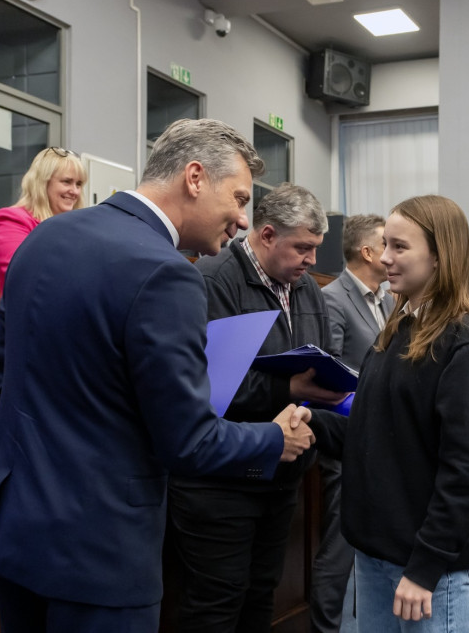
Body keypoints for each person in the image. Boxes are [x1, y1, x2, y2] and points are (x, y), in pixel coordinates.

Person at [0, 118, 316, 633]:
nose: (242, 219)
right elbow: (189, 441)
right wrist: (275, 438)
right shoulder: (166, 273)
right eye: (239, 198)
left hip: (16, 533)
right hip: (101, 551)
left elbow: (3, 379)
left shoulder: (44, 236)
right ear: (195, 177)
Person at [167, 182, 347, 633]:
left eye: (315, 248)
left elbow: (321, 358)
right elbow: (210, 386)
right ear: (267, 235)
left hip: (282, 472)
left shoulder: (305, 288)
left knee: (261, 594)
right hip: (220, 481)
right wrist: (289, 387)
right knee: (215, 605)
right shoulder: (213, 279)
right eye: (302, 247)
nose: (312, 260)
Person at [327, 195, 469, 631]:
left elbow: (468, 472)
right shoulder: (399, 328)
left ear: (440, 256)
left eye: (399, 247)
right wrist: (311, 424)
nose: (384, 258)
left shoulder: (466, 341)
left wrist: (425, 567)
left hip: (428, 571)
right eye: (384, 245)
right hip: (378, 553)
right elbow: (375, 429)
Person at [311, 213, 395, 633]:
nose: (392, 253)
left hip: (384, 442)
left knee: (375, 548)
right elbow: (329, 375)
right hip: (346, 440)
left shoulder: (390, 300)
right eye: (387, 244)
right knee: (339, 548)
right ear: (368, 252)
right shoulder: (332, 298)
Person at [0, 146, 87, 292]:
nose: (75, 191)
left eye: (78, 184)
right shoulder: (11, 220)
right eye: (67, 181)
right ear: (42, 183)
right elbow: (23, 275)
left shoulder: (80, 229)